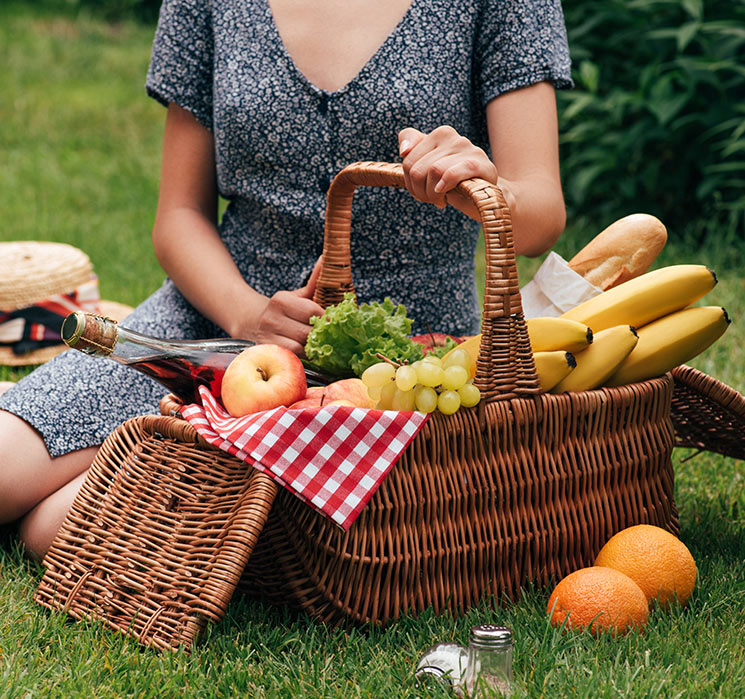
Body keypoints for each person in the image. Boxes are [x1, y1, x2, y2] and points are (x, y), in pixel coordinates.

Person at [0, 0, 572, 559]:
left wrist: (478, 185)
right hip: (212, 323)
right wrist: (247, 316)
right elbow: (179, 216)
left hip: (394, 368)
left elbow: (539, 218)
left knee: (55, 526)